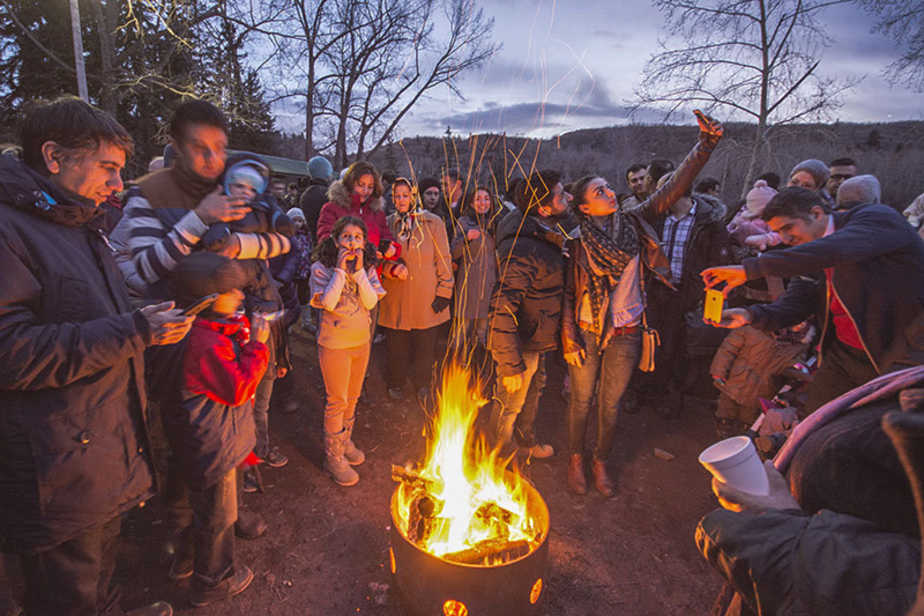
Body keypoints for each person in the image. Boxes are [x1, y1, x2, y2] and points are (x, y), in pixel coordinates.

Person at [0, 96, 194, 616]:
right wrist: (133, 329)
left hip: (99, 447)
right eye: (107, 168)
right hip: (57, 465)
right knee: (68, 592)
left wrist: (147, 316)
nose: (116, 185)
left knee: (101, 567)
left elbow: (85, 308)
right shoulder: (9, 232)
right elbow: (11, 353)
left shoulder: (77, 223)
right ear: (54, 156)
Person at [560, 112, 725, 494]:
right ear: (585, 208)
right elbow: (568, 293)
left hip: (627, 330)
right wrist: (568, 335)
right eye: (599, 192)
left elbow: (674, 187)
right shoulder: (576, 240)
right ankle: (575, 459)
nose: (610, 193)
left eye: (608, 188)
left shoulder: (634, 221)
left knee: (611, 404)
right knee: (581, 401)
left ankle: (600, 461)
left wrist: (706, 145)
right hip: (586, 329)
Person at [702, 186, 924, 416]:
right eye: (779, 232)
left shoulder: (875, 219)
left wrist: (752, 269)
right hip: (842, 356)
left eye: (789, 227)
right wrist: (751, 315)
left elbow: (838, 249)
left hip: (899, 352)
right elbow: (795, 304)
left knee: (884, 432)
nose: (786, 239)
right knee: (817, 426)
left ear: (817, 213)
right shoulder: (810, 256)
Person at [163, 252, 270, 607]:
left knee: (209, 507)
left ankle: (187, 560)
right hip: (214, 445)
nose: (241, 296)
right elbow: (238, 387)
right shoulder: (204, 342)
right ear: (207, 300)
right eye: (232, 291)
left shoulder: (204, 329)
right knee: (216, 516)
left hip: (213, 439)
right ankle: (213, 581)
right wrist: (257, 344)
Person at [487, 169, 572, 460]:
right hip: (521, 344)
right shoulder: (523, 248)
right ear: (543, 208)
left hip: (537, 336)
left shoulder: (539, 232)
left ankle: (523, 442)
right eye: (562, 195)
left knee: (533, 394)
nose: (569, 197)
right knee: (510, 403)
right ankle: (494, 462)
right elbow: (501, 307)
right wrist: (511, 364)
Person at [643, 166, 733, 417]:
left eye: (662, 190)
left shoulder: (709, 223)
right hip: (653, 290)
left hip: (685, 294)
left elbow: (718, 265)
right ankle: (639, 391)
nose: (656, 195)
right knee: (645, 343)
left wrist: (708, 301)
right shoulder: (655, 219)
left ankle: (661, 394)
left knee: (671, 347)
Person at [310, 216, 385, 486]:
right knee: (337, 400)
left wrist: (360, 272)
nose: (352, 242)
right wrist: (341, 272)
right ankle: (333, 459)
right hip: (334, 345)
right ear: (336, 240)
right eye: (346, 237)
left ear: (365, 243)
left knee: (352, 397)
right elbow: (327, 303)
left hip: (360, 342)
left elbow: (370, 300)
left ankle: (345, 441)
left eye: (357, 237)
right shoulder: (321, 268)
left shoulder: (368, 269)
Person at [378, 178, 454, 402]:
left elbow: (444, 258)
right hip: (397, 294)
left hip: (426, 294)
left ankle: (422, 382)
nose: (402, 200)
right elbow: (380, 258)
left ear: (414, 196)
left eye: (406, 195)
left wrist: (444, 291)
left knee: (425, 344)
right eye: (397, 196)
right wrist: (391, 267)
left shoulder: (433, 222)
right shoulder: (388, 223)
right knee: (396, 344)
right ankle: (396, 381)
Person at [710, 322, 813, 438]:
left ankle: (741, 438)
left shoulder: (800, 344)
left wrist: (799, 367)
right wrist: (719, 371)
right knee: (727, 408)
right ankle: (723, 427)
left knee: (748, 416)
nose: (802, 324)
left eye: (805, 322)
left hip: (763, 386)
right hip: (737, 378)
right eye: (799, 320)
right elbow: (728, 349)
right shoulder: (754, 329)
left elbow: (796, 363)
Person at [450, 185, 503, 354]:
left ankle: (480, 363)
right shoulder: (464, 222)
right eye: (478, 199)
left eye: (486, 198)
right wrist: (466, 239)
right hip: (469, 280)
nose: (483, 203)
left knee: (484, 327)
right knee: (462, 326)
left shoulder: (498, 222)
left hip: (491, 281)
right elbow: (453, 252)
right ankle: (456, 361)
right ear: (471, 203)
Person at [300, 155, 335, 243]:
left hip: (314, 243)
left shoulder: (305, 195)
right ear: (326, 174)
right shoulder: (327, 195)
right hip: (327, 242)